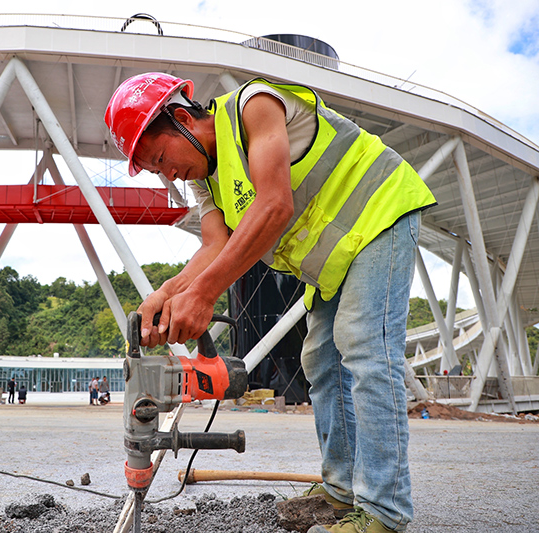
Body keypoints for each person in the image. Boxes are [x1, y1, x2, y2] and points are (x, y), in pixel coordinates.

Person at [104, 73, 435, 533]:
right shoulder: (207, 182)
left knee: (366, 353)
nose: (169, 175)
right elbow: (214, 247)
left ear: (182, 119)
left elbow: (275, 205)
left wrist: (203, 293)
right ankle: (340, 492)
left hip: (378, 209)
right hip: (336, 254)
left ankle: (384, 512)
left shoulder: (253, 107)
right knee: (321, 360)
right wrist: (167, 293)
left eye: (161, 159)